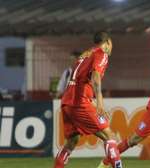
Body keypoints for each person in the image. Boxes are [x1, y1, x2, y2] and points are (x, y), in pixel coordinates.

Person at [54, 32, 123, 168]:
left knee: (72, 141)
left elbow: (80, 78)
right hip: (80, 103)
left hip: (67, 102)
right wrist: (99, 103)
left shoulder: (85, 54)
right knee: (110, 136)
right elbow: (96, 77)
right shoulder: (101, 53)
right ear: (108, 42)